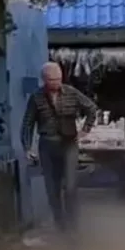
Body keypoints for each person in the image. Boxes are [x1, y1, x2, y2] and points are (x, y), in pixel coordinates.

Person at [21, 62, 97, 236]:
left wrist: (86, 130)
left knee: (70, 186)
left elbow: (91, 108)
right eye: (52, 80)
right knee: (52, 189)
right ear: (44, 80)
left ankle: (73, 225)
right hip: (47, 145)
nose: (56, 82)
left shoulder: (71, 92)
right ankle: (60, 225)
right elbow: (27, 124)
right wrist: (27, 148)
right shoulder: (36, 97)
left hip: (69, 143)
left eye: (58, 79)